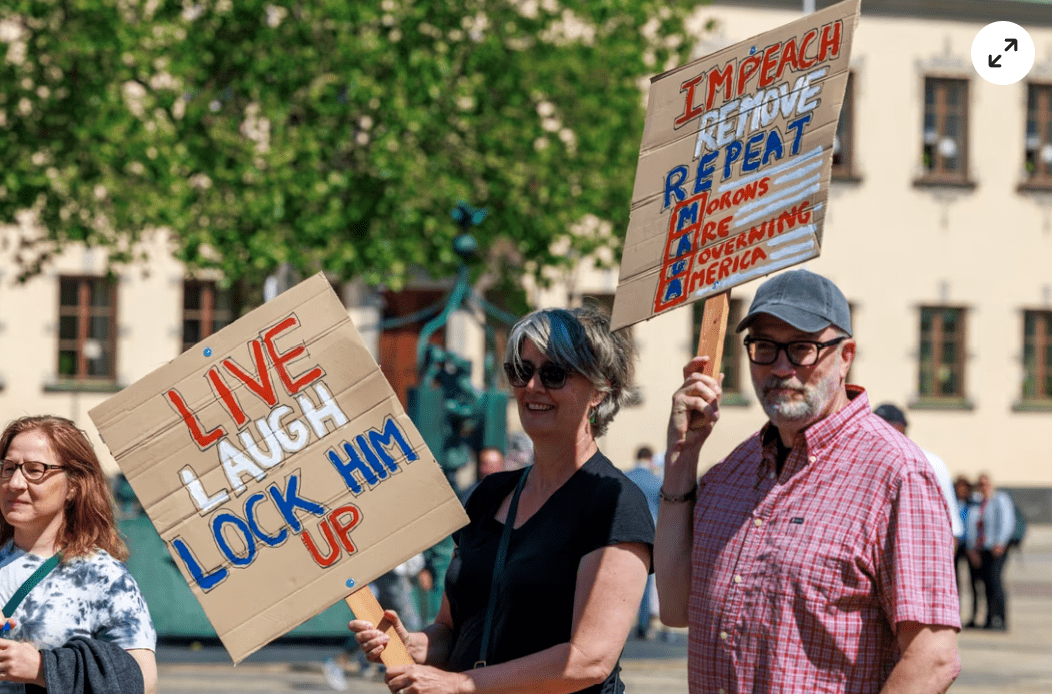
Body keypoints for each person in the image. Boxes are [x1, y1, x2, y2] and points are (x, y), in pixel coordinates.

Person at [657, 269, 960, 694]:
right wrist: (681, 458)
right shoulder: (730, 473)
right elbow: (674, 608)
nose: (781, 368)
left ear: (846, 356)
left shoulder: (896, 474)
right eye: (764, 347)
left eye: (802, 349)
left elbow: (933, 659)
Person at [350, 306, 653, 694]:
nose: (532, 386)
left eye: (554, 373)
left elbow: (589, 660)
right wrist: (411, 645)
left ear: (599, 390)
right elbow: (452, 630)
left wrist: (461, 684)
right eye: (521, 371)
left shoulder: (614, 501)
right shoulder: (489, 494)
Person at [0, 415, 156, 693]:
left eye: (34, 470)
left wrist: (43, 669)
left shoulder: (104, 577)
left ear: (74, 485)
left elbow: (143, 681)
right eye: (9, 468)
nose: (15, 483)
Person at [872, 403, 962, 540]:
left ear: (901, 428)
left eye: (887, 427)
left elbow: (952, 527)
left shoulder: (929, 463)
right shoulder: (867, 464)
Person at [965, 472, 1015, 631]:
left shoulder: (1000, 499)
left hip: (996, 548)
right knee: (986, 584)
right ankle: (989, 618)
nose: (983, 487)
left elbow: (1006, 522)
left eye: (985, 484)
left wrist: (1000, 542)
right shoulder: (977, 503)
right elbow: (972, 526)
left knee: (995, 582)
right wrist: (972, 548)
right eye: (980, 484)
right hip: (982, 549)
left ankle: (1000, 618)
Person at [625, 445, 661, 640]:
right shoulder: (657, 481)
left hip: (623, 533)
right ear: (650, 459)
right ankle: (643, 625)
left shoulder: (623, 477)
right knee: (645, 582)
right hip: (649, 535)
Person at [953, 475, 982, 626]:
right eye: (959, 487)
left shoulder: (974, 503)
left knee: (974, 581)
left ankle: (974, 615)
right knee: (954, 582)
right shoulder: (952, 503)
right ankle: (955, 614)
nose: (962, 490)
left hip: (970, 546)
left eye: (965, 487)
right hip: (955, 546)